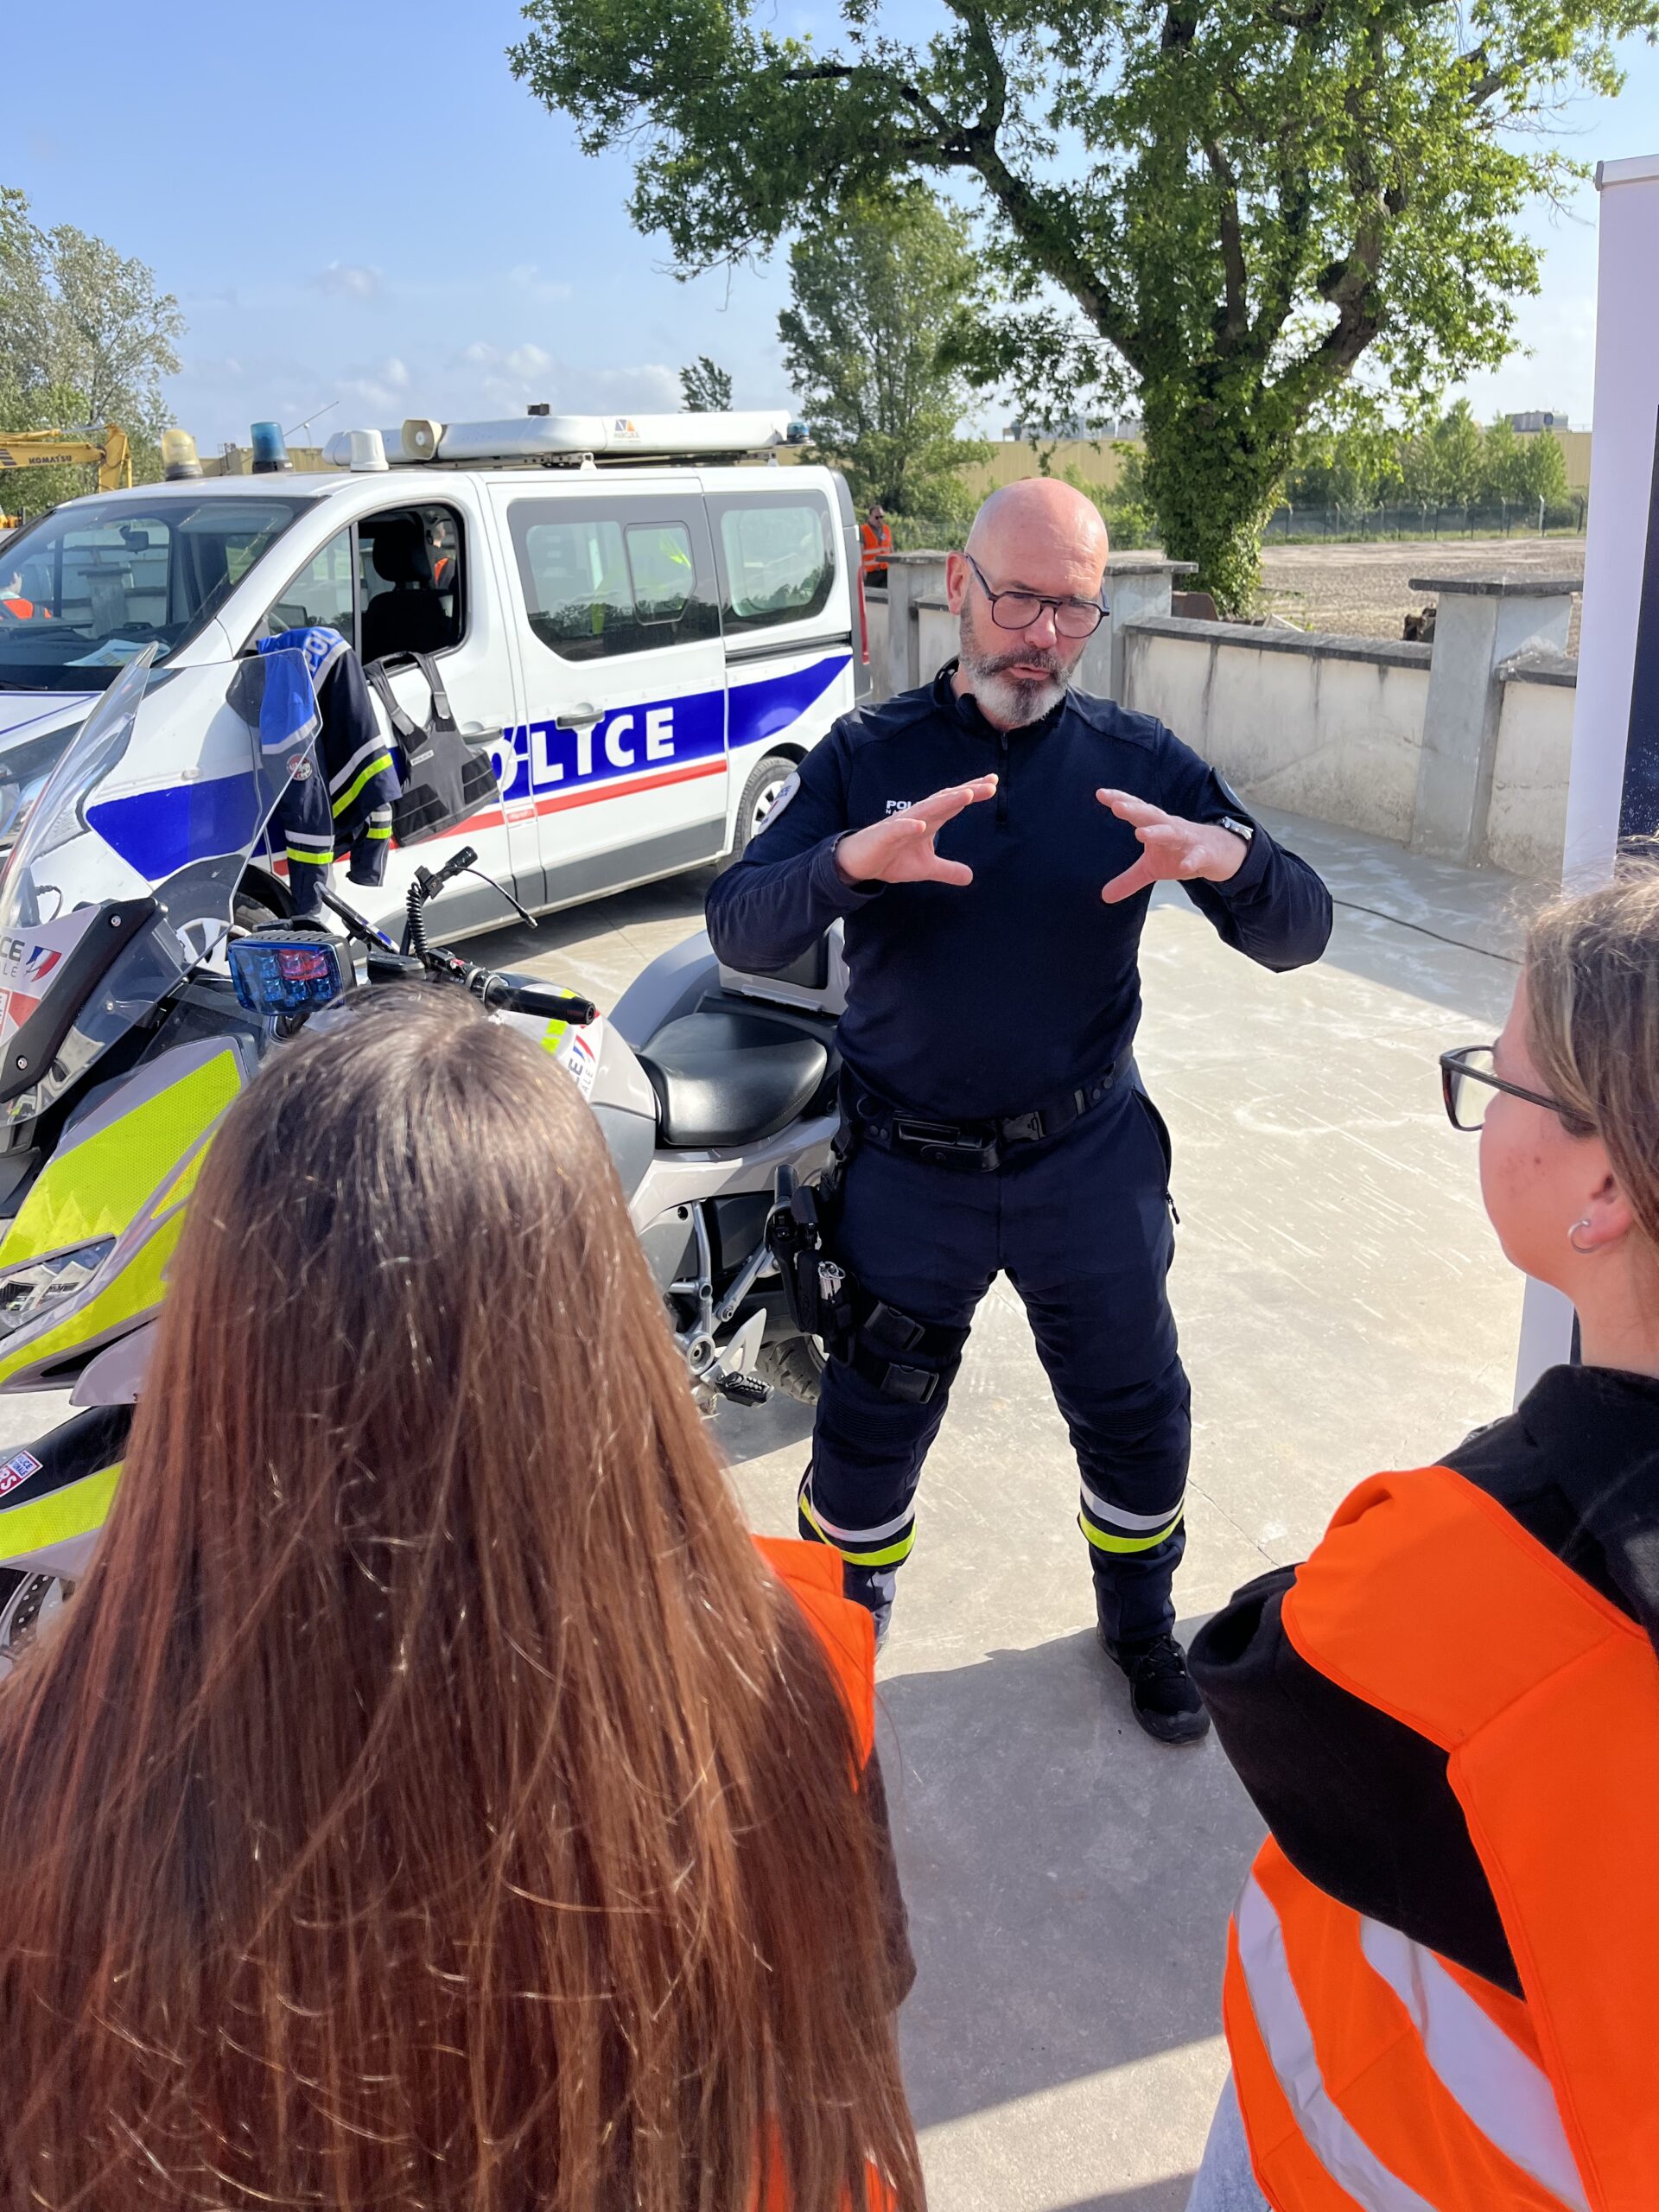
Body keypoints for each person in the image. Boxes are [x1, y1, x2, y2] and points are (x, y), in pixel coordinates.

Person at [0, 987, 921, 2212]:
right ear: (602, 1330)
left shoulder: (59, 1770)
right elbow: (853, 2001)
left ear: (219, 1341)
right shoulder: (783, 1661)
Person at [707, 479, 1332, 1743]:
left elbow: (1300, 929)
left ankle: (1139, 1621)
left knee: (1138, 1415)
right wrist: (850, 862)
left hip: (1085, 1164)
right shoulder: (867, 756)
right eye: (1017, 600)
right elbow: (740, 923)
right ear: (957, 586)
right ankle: (838, 1646)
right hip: (908, 1175)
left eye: (1073, 608)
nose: (1041, 635)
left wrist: (1234, 861)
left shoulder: (1138, 763)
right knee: (865, 1441)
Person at [1187, 863, 1659, 2210]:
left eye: (1502, 1081)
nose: (1485, 1108)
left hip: (1383, 2162)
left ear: (1605, 1187)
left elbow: (1267, 1664)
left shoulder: (1472, 1563)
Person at [860, 504, 893, 585]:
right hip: (870, 573)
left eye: (881, 517)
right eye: (877, 517)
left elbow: (891, 549)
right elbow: (859, 552)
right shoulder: (863, 530)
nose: (879, 520)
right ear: (870, 517)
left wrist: (894, 567)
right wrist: (862, 569)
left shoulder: (886, 529)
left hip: (886, 571)